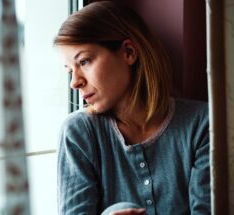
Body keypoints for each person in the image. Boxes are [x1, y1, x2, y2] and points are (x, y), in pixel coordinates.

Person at [54, 1, 210, 215]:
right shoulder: (78, 133)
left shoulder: (203, 124)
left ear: (128, 52)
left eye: (84, 62)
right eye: (69, 70)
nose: (75, 82)